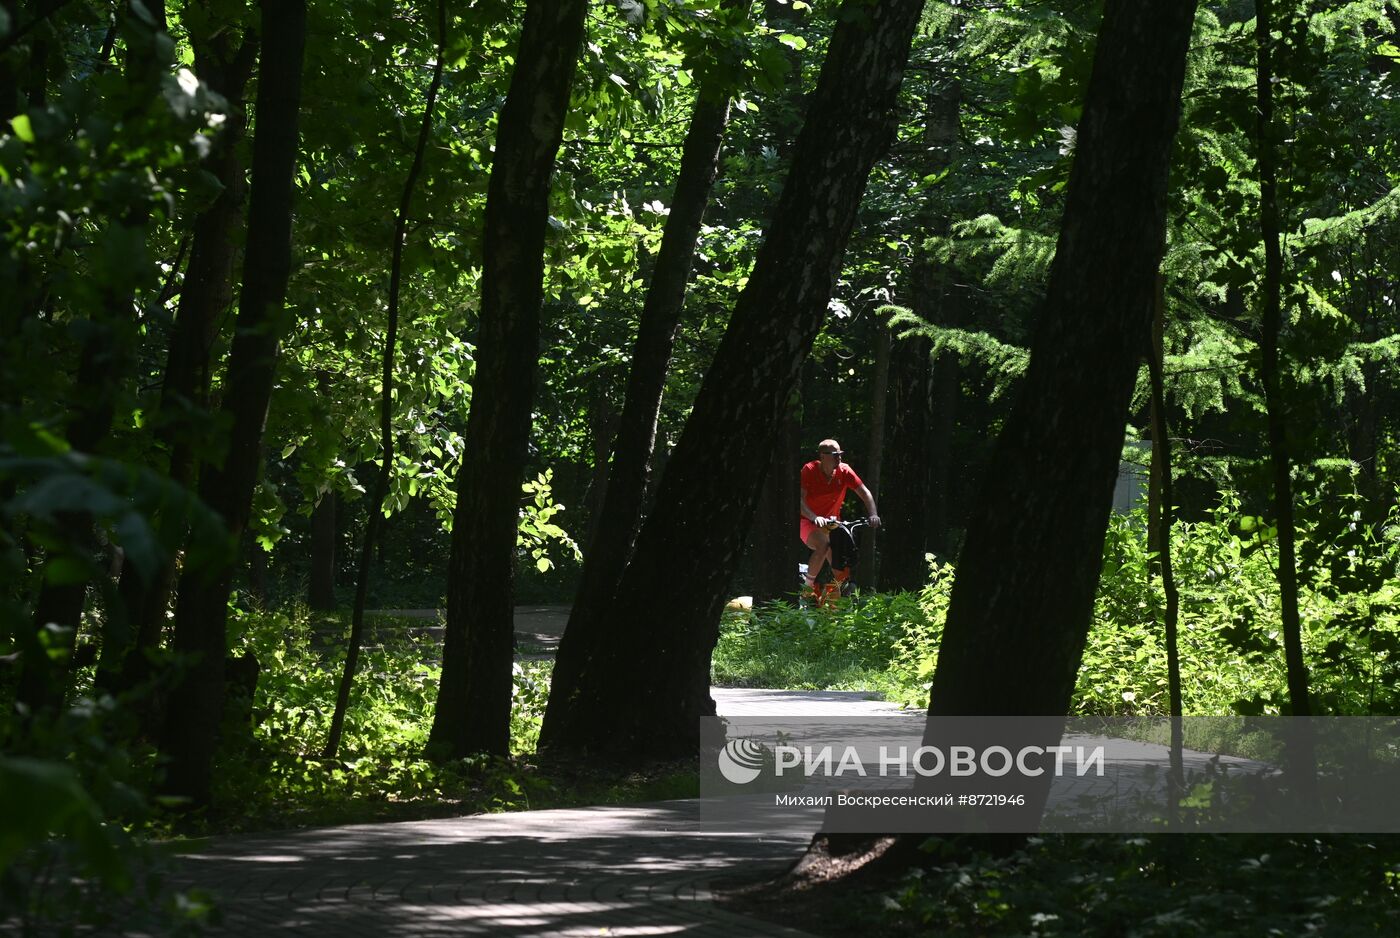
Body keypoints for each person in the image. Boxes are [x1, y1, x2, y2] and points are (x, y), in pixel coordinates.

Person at [799, 439, 880, 596]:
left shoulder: (844, 471)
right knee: (824, 545)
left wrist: (873, 514)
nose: (839, 458)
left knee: (841, 570)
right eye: (835, 455)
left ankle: (837, 608)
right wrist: (814, 517)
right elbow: (799, 500)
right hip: (807, 521)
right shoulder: (809, 470)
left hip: (832, 524)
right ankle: (806, 590)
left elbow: (865, 493)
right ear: (822, 456)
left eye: (840, 454)